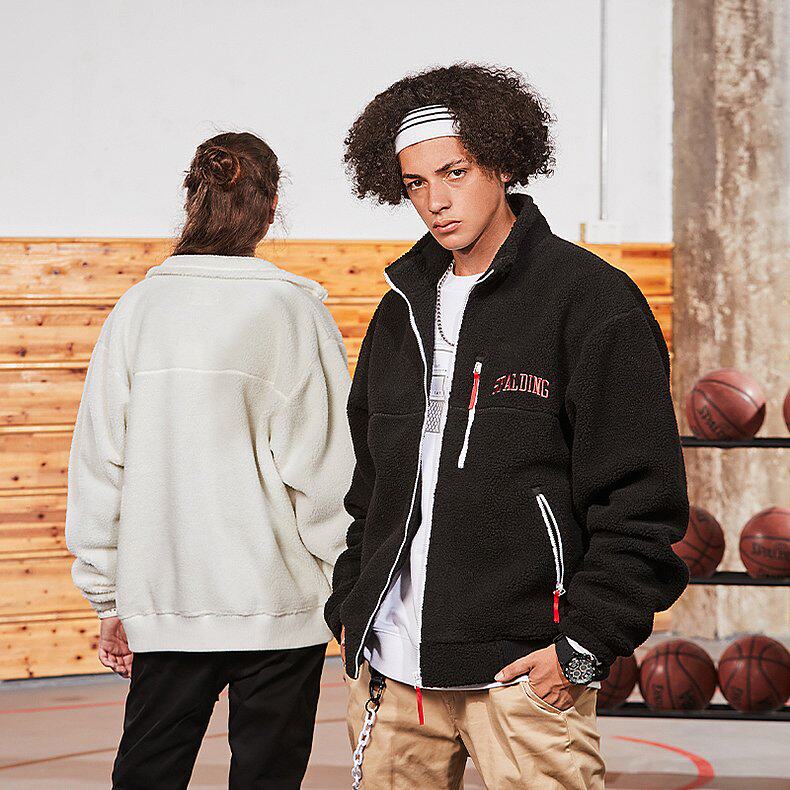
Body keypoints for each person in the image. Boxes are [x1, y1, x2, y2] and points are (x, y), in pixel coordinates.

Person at [324, 64, 690, 789]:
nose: (436, 201)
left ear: (502, 162)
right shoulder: (400, 310)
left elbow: (642, 502)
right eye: (415, 183)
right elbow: (373, 484)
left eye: (454, 172)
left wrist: (584, 643)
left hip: (523, 674)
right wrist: (352, 602)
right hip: (392, 674)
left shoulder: (592, 301)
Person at [65, 131, 355, 789]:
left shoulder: (137, 310)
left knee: (147, 775)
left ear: (191, 199)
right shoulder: (292, 311)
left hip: (166, 603)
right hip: (279, 608)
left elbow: (100, 464)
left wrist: (108, 598)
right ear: (272, 205)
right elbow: (327, 472)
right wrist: (347, 581)